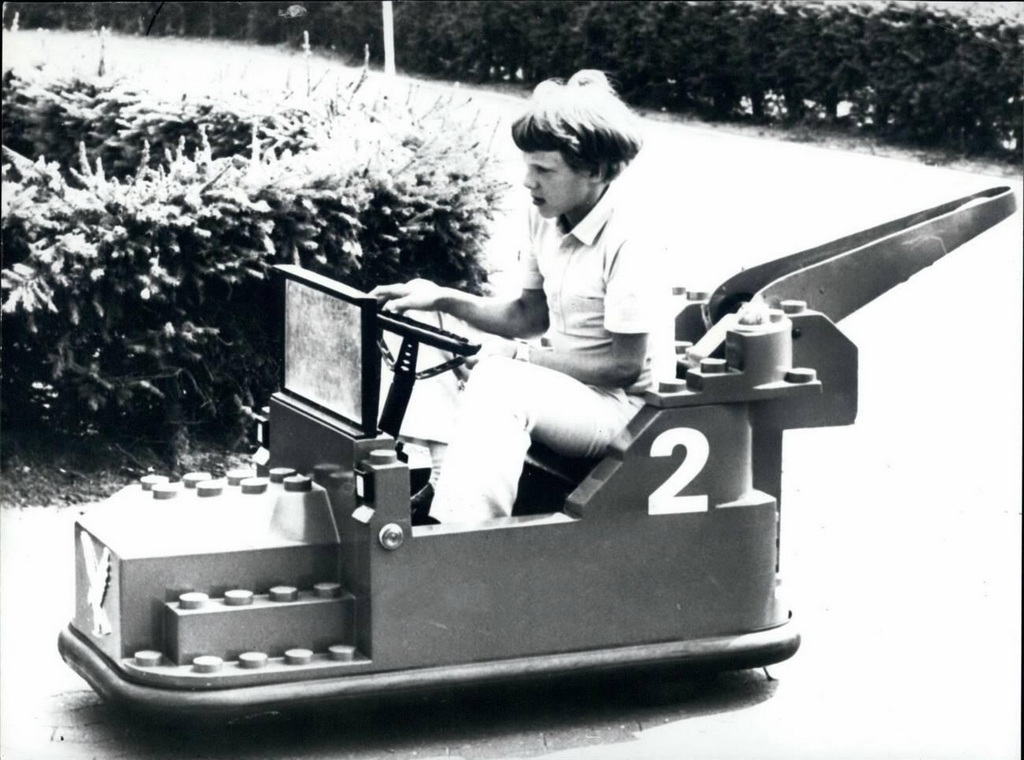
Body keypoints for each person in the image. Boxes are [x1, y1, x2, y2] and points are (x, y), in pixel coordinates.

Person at [371, 70, 665, 524]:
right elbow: (529, 315)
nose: (528, 181)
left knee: (499, 380)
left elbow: (625, 368)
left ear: (595, 170)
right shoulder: (547, 215)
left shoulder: (631, 236)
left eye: (543, 170)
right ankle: (440, 484)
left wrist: (518, 359)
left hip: (623, 412)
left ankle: (466, 537)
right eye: (527, 166)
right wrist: (442, 300)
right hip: (570, 392)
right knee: (428, 323)